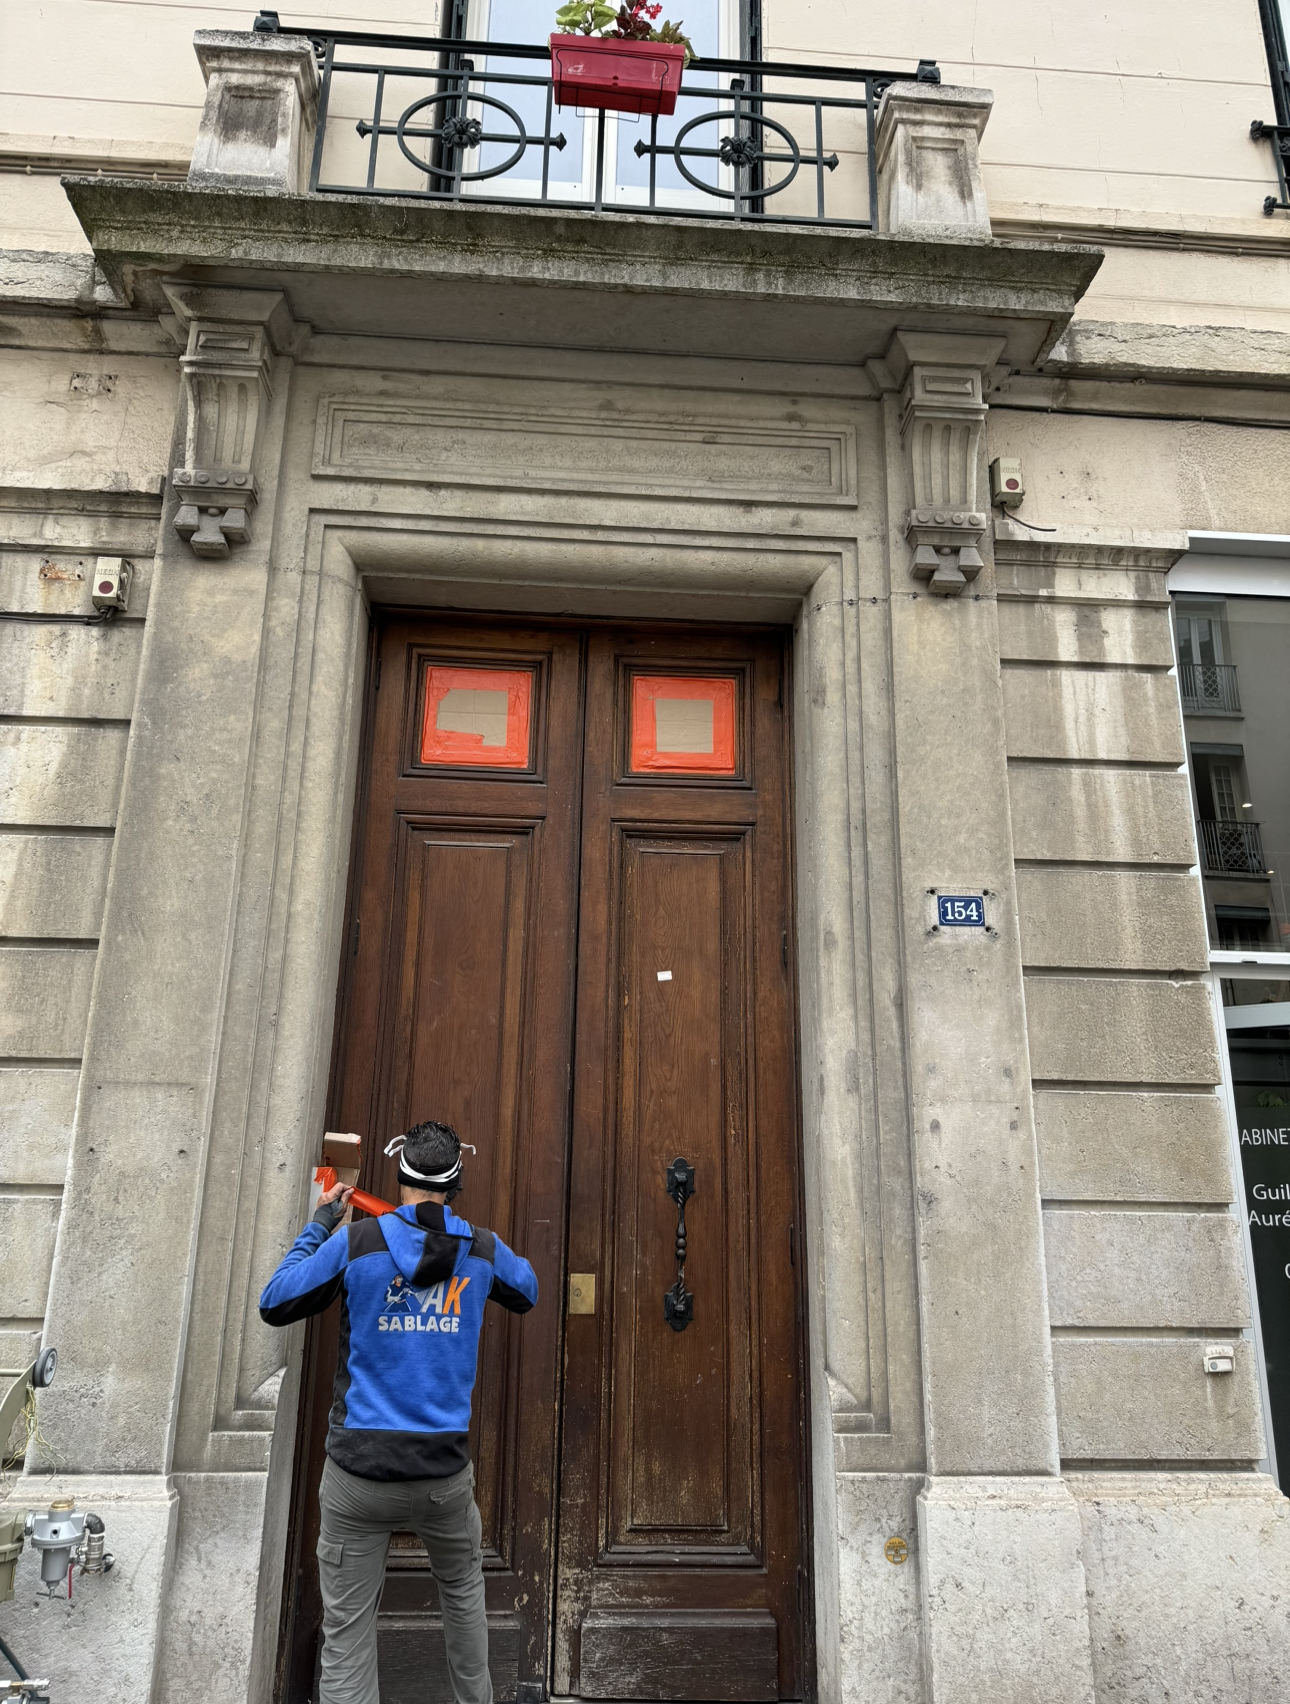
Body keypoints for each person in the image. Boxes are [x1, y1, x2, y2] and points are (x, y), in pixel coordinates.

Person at [260, 1120, 538, 1704]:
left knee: (349, 1632)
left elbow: (277, 1299)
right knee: (463, 1599)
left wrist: (321, 1223)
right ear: (455, 1179)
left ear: (400, 1174)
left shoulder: (358, 1243)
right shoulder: (479, 1250)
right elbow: (528, 1288)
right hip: (441, 1476)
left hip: (359, 1472)